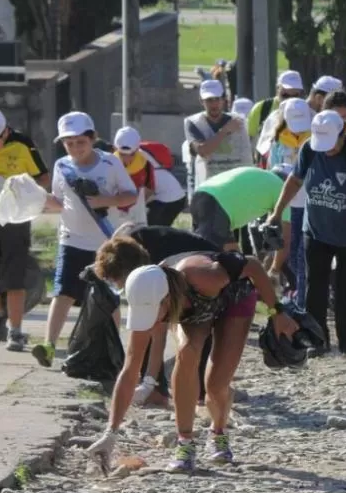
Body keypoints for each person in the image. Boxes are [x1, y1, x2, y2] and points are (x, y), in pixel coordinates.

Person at [87, 252, 298, 473]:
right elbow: (130, 369)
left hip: (234, 298)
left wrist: (277, 312)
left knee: (216, 385)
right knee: (187, 353)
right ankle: (185, 445)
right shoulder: (146, 294)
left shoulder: (205, 275)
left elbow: (253, 266)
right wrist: (110, 432)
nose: (152, 321)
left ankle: (219, 433)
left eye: (154, 313)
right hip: (193, 313)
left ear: (167, 298)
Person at [269, 109, 346, 357]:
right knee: (315, 287)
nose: (326, 150)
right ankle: (318, 340)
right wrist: (276, 212)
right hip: (315, 230)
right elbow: (295, 180)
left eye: (331, 143)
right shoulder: (309, 149)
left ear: (343, 133)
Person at [35, 112, 138, 367]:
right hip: (71, 240)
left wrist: (105, 201)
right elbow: (58, 201)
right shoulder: (62, 166)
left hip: (104, 242)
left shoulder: (110, 164)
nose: (75, 148)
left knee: (109, 296)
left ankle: (115, 350)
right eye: (69, 144)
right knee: (62, 294)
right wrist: (33, 197)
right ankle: (48, 345)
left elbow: (130, 195)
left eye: (80, 142)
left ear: (92, 138)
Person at [93, 224, 221, 407]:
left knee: (198, 352)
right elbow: (154, 333)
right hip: (191, 277)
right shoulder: (127, 251)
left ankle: (210, 410)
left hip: (210, 277)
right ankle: (189, 419)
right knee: (177, 342)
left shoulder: (154, 268)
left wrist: (276, 309)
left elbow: (157, 333)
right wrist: (149, 383)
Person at [0, 110, 50, 352]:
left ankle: (16, 331)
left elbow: (43, 178)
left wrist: (22, 189)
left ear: (6, 131)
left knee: (14, 276)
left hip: (15, 220)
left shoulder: (22, 144)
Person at [264, 98, 313, 306]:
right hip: (286, 205)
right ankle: (295, 291)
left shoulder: (315, 139)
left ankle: (302, 299)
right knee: (288, 253)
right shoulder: (277, 140)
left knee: (304, 255)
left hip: (309, 205)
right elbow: (270, 171)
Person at [183, 79, 253, 198]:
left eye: (217, 99)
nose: (214, 104)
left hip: (236, 184)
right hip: (208, 186)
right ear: (201, 101)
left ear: (224, 100)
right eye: (209, 100)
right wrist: (225, 131)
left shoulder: (239, 121)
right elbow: (203, 150)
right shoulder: (193, 122)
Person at [247, 70, 305, 158]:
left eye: (294, 96)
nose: (289, 100)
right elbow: (249, 139)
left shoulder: (306, 110)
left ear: (301, 94)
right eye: (285, 95)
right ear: (277, 89)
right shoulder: (261, 108)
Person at [113, 126, 154, 226]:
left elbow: (150, 188)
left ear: (137, 149)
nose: (126, 158)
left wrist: (136, 206)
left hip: (136, 213)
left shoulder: (146, 164)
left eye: (131, 154)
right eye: (122, 154)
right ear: (115, 148)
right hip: (114, 212)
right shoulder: (109, 164)